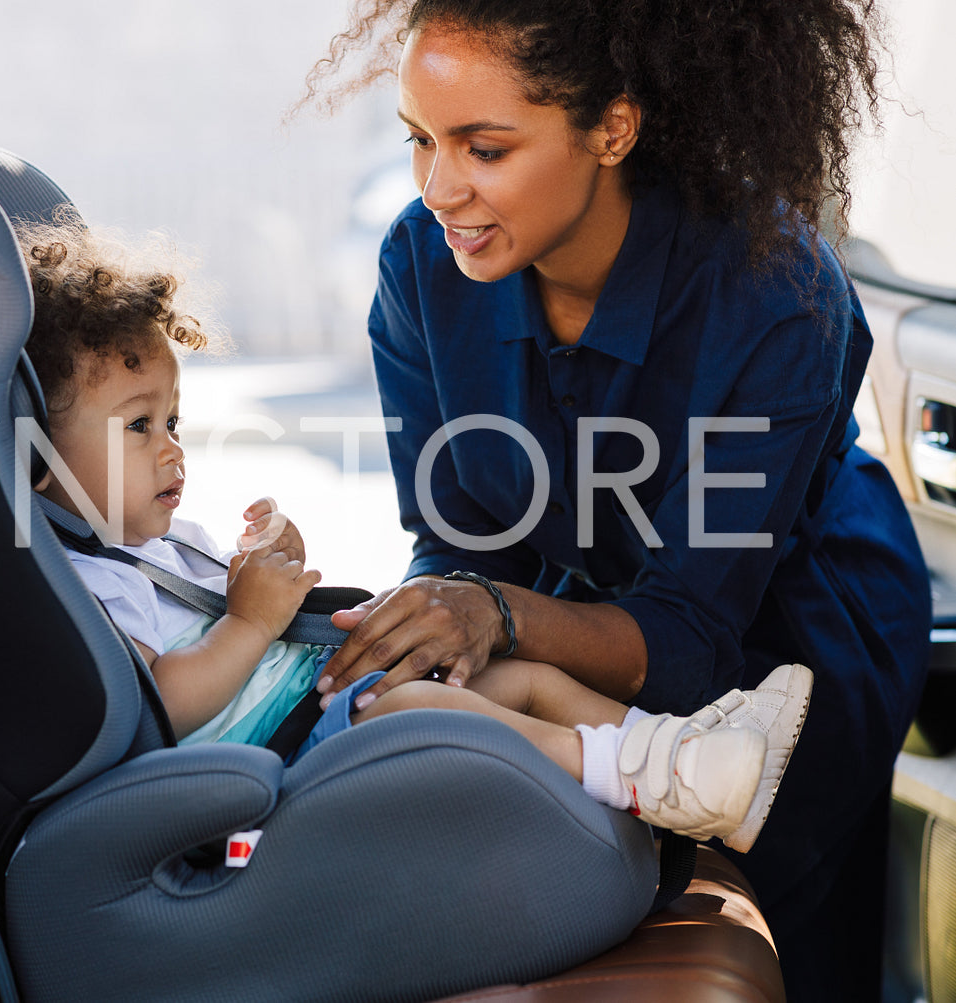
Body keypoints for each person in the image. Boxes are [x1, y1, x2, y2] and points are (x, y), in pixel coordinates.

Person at [303, 2, 930, 998]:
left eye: (483, 147)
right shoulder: (421, 268)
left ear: (611, 130)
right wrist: (432, 630)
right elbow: (458, 541)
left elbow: (687, 632)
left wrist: (494, 616)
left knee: (790, 941)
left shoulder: (775, 295)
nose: (436, 188)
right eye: (418, 141)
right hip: (578, 605)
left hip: (792, 638)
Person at [19, 218, 813, 851]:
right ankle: (646, 778)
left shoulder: (149, 546)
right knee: (424, 709)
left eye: (174, 421)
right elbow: (159, 705)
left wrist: (265, 569)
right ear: (36, 456)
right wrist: (249, 619)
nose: (172, 448)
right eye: (139, 427)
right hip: (271, 759)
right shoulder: (76, 585)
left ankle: (679, 759)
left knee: (520, 676)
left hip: (306, 709)